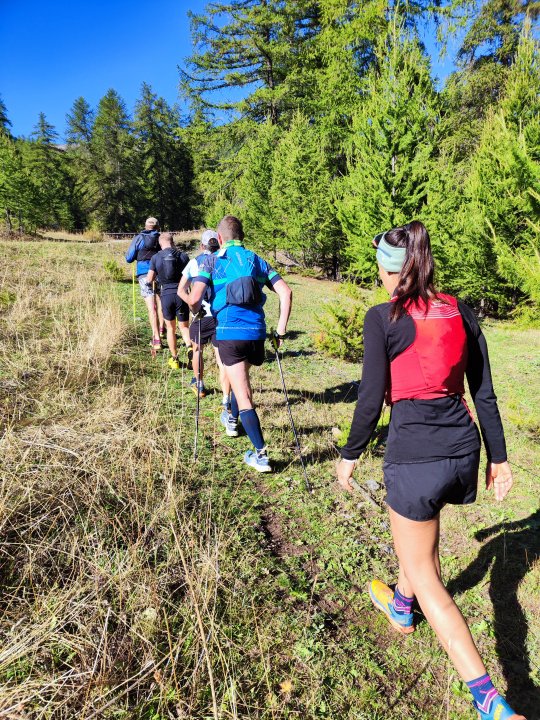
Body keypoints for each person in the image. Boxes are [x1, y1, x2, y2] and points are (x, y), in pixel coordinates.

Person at [335, 221, 525, 720]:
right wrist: (498, 460)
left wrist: (350, 453)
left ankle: (490, 699)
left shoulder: (382, 318)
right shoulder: (459, 309)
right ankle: (401, 605)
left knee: (426, 570)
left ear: (390, 270)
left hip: (414, 456)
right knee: (417, 536)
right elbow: (483, 390)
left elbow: (371, 397)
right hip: (462, 454)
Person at [187, 215, 292, 472]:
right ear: (241, 236)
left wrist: (195, 310)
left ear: (219, 238)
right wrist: (280, 331)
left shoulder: (211, 261)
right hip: (256, 333)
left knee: (243, 394)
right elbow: (286, 292)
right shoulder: (257, 260)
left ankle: (261, 454)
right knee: (240, 382)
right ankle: (232, 418)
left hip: (229, 332)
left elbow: (195, 298)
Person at [178, 229, 231, 402]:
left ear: (202, 246)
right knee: (221, 357)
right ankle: (226, 398)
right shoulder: (226, 261)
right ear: (219, 242)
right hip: (222, 314)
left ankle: (199, 383)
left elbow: (181, 290)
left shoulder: (195, 262)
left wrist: (194, 308)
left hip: (202, 314)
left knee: (197, 349)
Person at [146, 232, 192, 369]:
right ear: (172, 242)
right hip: (181, 295)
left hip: (166, 295)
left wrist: (154, 283)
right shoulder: (183, 256)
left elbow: (149, 279)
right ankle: (190, 348)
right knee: (184, 327)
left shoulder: (156, 257)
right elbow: (190, 276)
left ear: (160, 244)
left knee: (171, 329)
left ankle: (175, 359)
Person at [125, 217, 164, 351]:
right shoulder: (161, 238)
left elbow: (129, 258)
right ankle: (162, 329)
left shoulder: (139, 238)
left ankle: (156, 339)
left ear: (145, 226)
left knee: (151, 306)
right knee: (160, 301)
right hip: (160, 273)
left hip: (144, 274)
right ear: (158, 227)